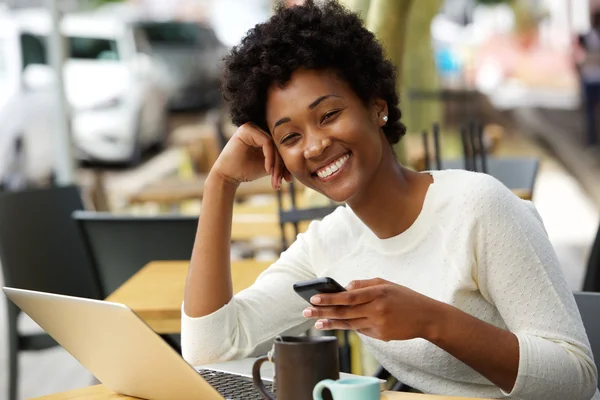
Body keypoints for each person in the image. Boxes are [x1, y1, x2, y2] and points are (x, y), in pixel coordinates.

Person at [182, 1, 599, 399]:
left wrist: (430, 321)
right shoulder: (327, 245)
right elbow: (209, 352)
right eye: (290, 136)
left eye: (328, 115)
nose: (314, 145)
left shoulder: (479, 207)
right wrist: (220, 184)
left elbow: (576, 377)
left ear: (376, 106)